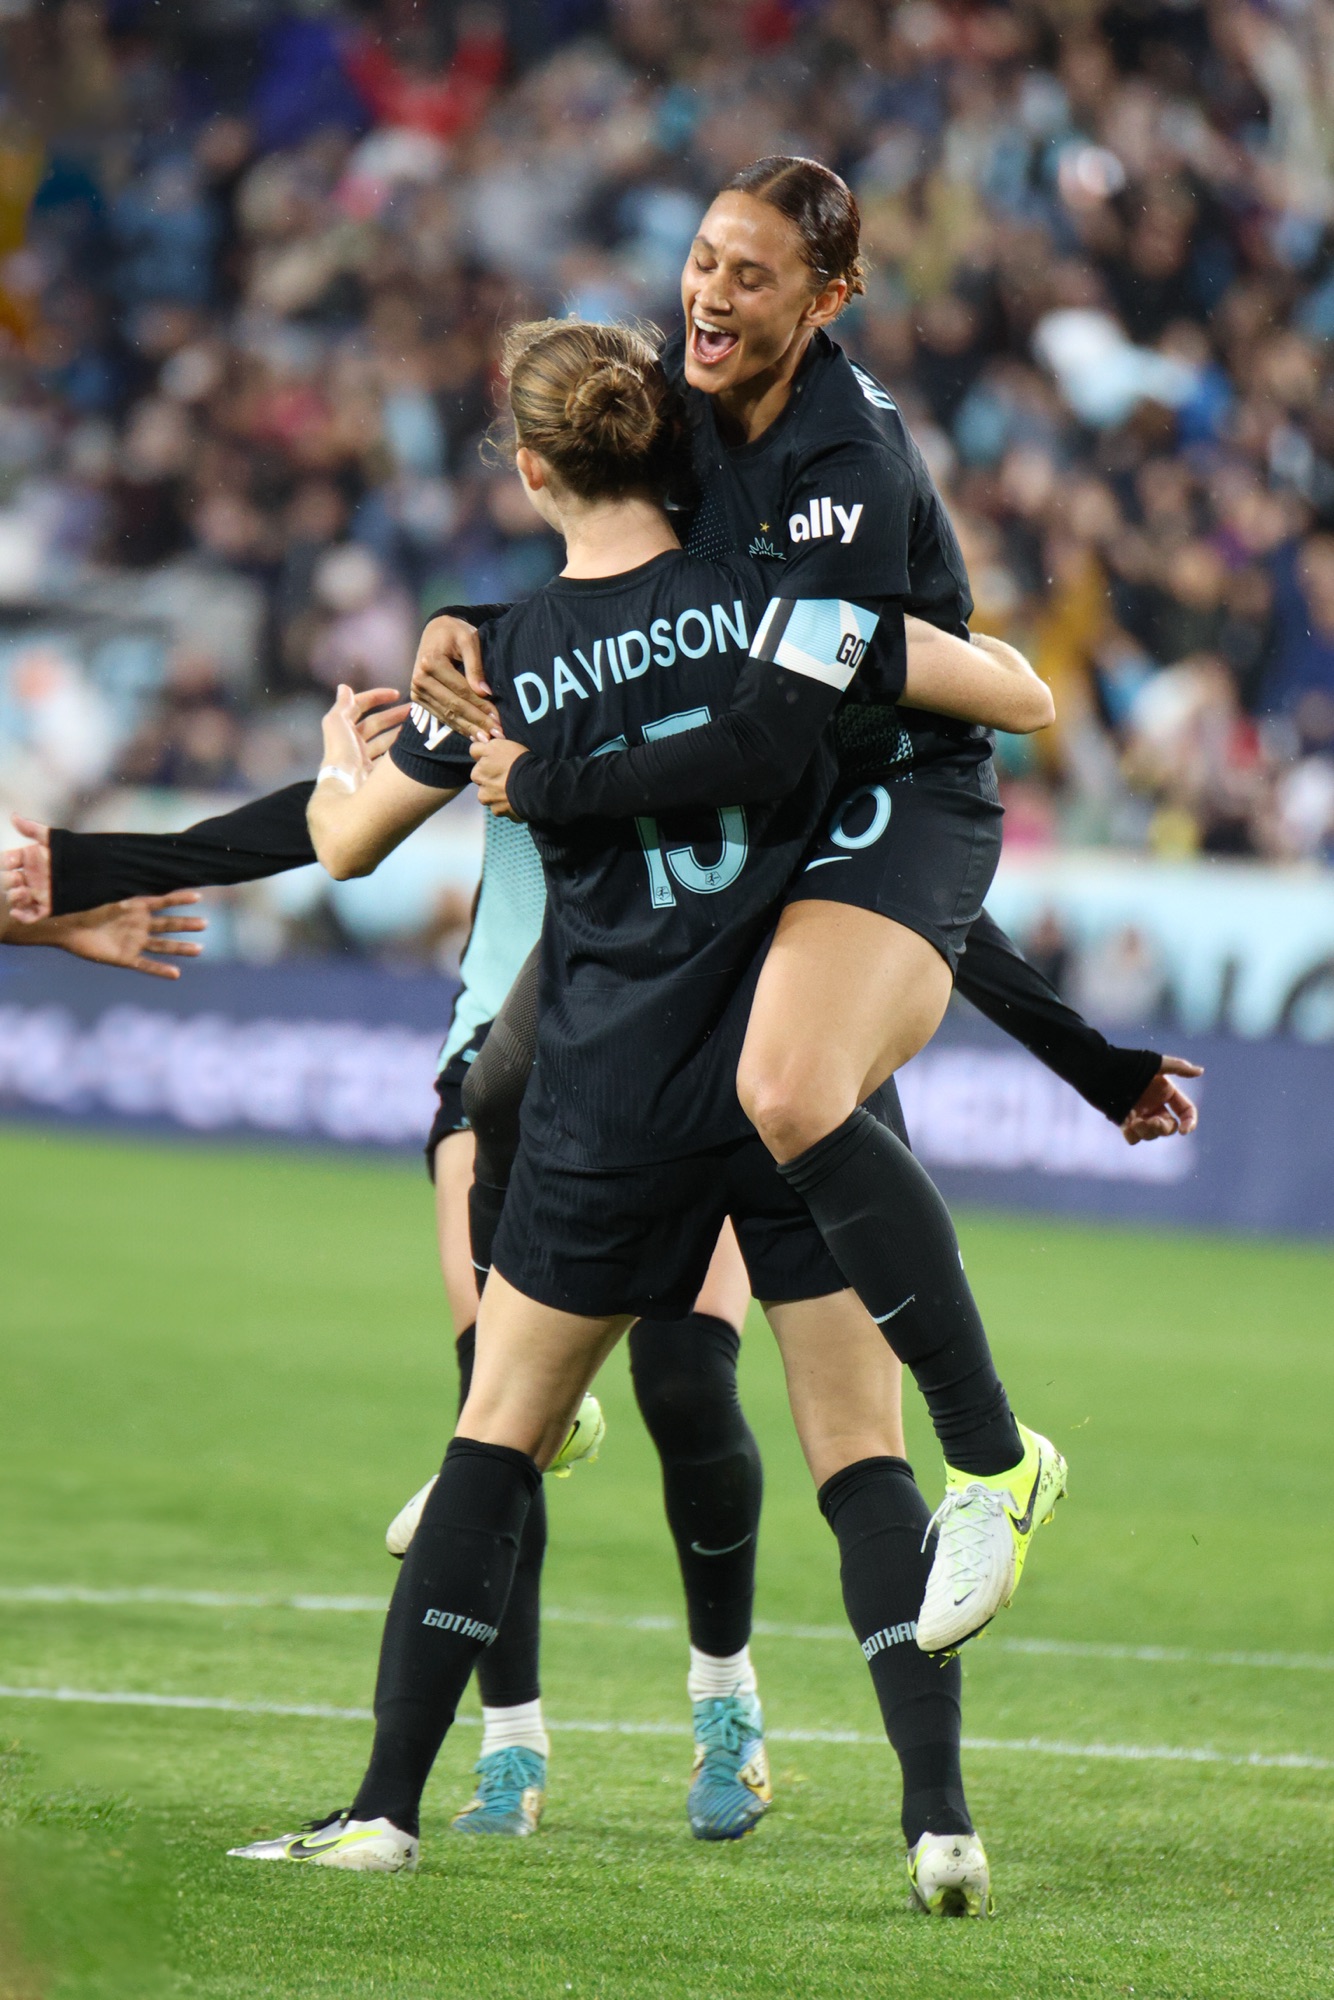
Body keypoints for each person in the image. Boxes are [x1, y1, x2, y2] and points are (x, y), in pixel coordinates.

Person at [225, 314, 1060, 1911]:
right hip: (774, 1076)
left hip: (606, 1092)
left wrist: (352, 752)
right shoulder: (779, 603)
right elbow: (1006, 691)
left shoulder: (500, 655)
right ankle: (937, 1825)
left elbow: (341, 852)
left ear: (532, 470)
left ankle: (385, 1810)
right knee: (857, 1459)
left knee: (501, 1433)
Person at [411, 157, 1069, 1654]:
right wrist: (472, 621)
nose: (707, 293)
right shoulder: (677, 395)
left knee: (785, 1084)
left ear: (829, 300)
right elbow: (614, 573)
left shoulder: (846, 470)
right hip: (772, 794)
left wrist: (545, 780)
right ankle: (526, 1399)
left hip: (888, 788)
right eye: (703, 258)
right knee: (509, 1064)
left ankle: (991, 1459)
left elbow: (775, 730)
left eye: (751, 275)